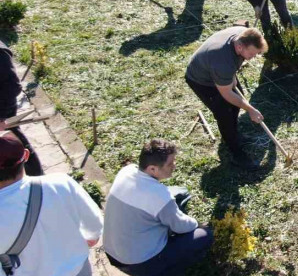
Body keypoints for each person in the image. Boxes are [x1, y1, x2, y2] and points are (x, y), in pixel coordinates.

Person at [104, 139, 214, 276]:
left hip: (112, 252)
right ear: (152, 168)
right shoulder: (160, 197)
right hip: (140, 263)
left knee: (179, 193)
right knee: (205, 235)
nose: (174, 166)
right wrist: (199, 224)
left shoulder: (126, 171)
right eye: (170, 164)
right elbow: (182, 226)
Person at [0, 131, 103, 276]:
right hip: (78, 270)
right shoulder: (60, 183)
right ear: (26, 156)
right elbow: (94, 223)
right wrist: (92, 236)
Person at [185, 27, 267, 169]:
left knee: (236, 102)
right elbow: (227, 94)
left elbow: (233, 67)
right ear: (240, 46)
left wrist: (233, 77)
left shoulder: (243, 34)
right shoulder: (222, 62)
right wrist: (250, 109)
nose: (253, 58)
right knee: (225, 113)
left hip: (219, 71)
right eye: (252, 54)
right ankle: (236, 153)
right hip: (202, 80)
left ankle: (234, 134)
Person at [0, 40, 42, 176]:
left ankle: (37, 177)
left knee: (14, 143)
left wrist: (1, 118)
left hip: (3, 110)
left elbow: (12, 87)